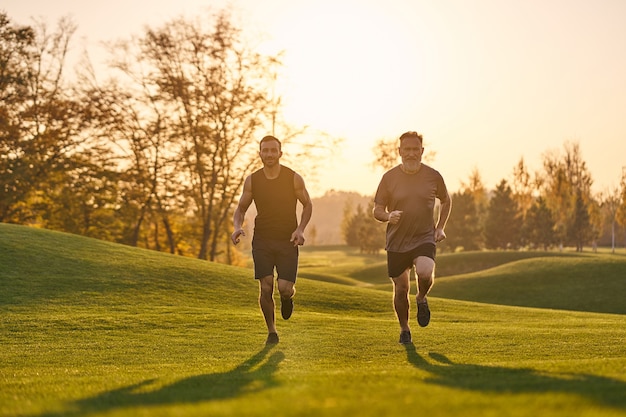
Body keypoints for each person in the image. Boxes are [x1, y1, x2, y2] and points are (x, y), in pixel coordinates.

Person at [232, 135, 313, 345]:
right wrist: (237, 227)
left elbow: (307, 204)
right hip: (262, 241)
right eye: (265, 150)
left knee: (284, 288)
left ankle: (288, 298)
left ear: (280, 153)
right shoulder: (253, 180)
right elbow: (241, 208)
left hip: (288, 240)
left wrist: (300, 229)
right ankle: (272, 332)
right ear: (260, 153)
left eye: (272, 150)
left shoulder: (293, 178)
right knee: (266, 287)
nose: (269, 154)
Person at [373, 131, 452, 345]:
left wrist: (440, 227)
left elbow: (446, 200)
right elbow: (377, 210)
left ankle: (421, 297)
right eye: (406, 149)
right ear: (399, 152)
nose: (410, 153)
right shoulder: (389, 178)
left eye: (415, 149)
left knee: (425, 272)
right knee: (401, 289)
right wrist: (388, 216)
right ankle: (404, 329)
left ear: (422, 151)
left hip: (424, 237)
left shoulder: (433, 176)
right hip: (397, 242)